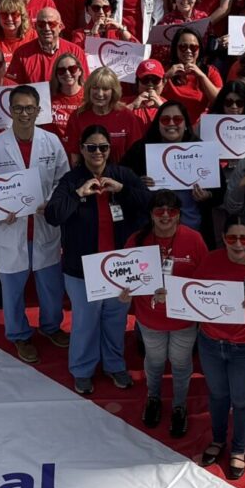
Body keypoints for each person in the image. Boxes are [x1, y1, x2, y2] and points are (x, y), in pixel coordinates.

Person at [47, 124, 148, 395]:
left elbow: (148, 203)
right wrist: (78, 193)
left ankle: (115, 366)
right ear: (81, 149)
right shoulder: (71, 180)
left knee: (116, 319)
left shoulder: (121, 174)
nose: (98, 152)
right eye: (91, 147)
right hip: (81, 268)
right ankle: (82, 369)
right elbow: (54, 215)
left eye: (103, 147)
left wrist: (123, 189)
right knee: (86, 320)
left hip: (119, 266)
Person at [183, 213, 245, 481]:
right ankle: (218, 440)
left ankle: (238, 448)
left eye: (244, 238)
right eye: (231, 238)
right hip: (211, 342)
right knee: (217, 395)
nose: (238, 244)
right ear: (223, 238)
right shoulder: (210, 260)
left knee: (241, 400)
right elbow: (194, 294)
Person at [0, 84, 71, 363]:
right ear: (10, 110)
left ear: (38, 110)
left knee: (51, 287)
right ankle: (18, 335)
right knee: (13, 289)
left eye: (30, 108)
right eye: (18, 108)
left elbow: (63, 181)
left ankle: (51, 326)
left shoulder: (51, 142)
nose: (24, 113)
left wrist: (51, 203)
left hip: (44, 226)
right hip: (11, 229)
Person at [124, 190, 205, 434]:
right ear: (151, 214)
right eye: (160, 211)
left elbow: (204, 279)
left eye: (172, 210)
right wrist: (124, 293)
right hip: (150, 319)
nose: (166, 215)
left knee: (181, 364)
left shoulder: (194, 240)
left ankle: (179, 406)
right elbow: (125, 279)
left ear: (180, 214)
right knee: (155, 362)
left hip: (183, 321)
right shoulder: (136, 240)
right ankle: (154, 398)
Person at [129, 100, 213, 232]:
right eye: (165, 120)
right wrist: (138, 183)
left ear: (186, 124)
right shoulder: (140, 149)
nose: (171, 124)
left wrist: (207, 195)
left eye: (178, 119)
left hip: (192, 228)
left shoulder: (200, 148)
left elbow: (219, 191)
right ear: (158, 124)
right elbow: (123, 182)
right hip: (151, 230)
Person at [63, 67, 146, 163]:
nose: (100, 94)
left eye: (105, 89)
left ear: (114, 91)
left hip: (120, 175)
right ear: (89, 89)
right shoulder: (78, 116)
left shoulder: (127, 116)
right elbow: (75, 157)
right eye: (95, 88)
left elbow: (136, 155)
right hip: (87, 176)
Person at [8, 7, 86, 84]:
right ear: (35, 27)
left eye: (52, 24)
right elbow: (12, 86)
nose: (46, 28)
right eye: (41, 24)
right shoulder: (22, 54)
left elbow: (85, 83)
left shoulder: (75, 51)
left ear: (60, 27)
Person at [160, 27, 222, 121]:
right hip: (171, 123)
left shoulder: (210, 71)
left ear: (200, 49)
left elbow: (219, 101)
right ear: (175, 48)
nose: (188, 51)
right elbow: (152, 95)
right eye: (183, 47)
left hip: (199, 126)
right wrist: (166, 77)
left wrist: (202, 76)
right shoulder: (165, 70)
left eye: (193, 47)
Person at [44, 55, 87, 141]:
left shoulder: (89, 96)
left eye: (72, 69)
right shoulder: (46, 96)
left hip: (81, 150)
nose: (67, 73)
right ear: (56, 75)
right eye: (61, 71)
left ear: (80, 71)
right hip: (54, 150)